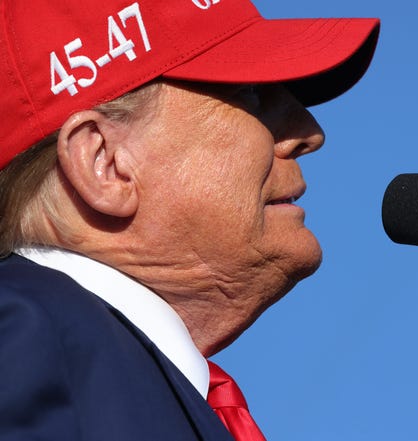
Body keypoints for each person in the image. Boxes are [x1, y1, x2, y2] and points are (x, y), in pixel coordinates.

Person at [0, 0, 379, 439]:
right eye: (251, 92)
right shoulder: (23, 333)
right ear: (106, 163)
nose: (309, 133)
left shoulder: (89, 361)